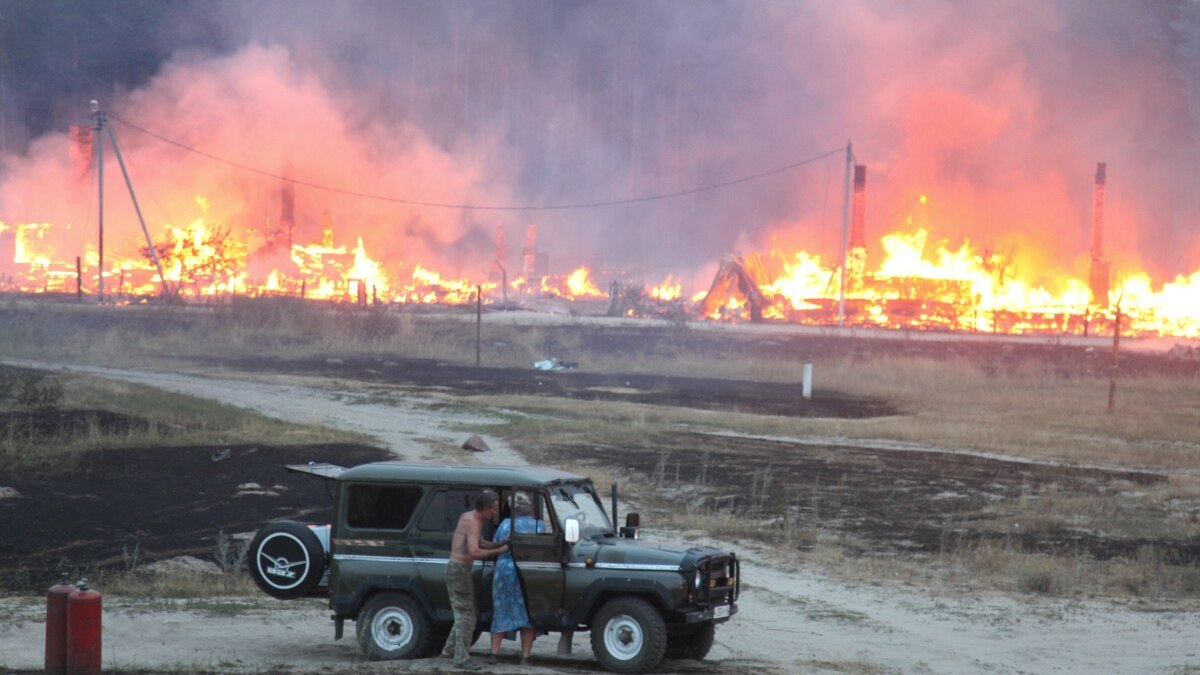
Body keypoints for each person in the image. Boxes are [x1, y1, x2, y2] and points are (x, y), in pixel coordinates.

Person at [441, 489, 508, 670]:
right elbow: (475, 552)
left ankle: (449, 650)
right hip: (459, 570)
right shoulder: (474, 522)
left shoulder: (468, 516)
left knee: (467, 613)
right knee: (466, 617)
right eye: (493, 509)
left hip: (457, 570)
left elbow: (479, 542)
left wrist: (500, 543)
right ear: (485, 508)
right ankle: (461, 659)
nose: (495, 512)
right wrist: (498, 552)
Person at [489, 492, 546, 665]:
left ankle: (494, 653)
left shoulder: (506, 524)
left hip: (505, 570)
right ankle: (526, 656)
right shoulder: (539, 525)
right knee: (528, 613)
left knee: (501, 610)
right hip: (528, 571)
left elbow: (495, 543)